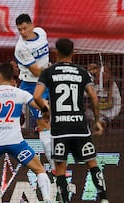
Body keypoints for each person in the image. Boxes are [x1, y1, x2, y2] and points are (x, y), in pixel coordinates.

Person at [34, 38, 109, 203]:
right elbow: (94, 97)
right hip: (79, 125)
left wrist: (47, 111)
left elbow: (37, 96)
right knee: (92, 162)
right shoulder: (82, 72)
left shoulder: (49, 72)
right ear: (73, 53)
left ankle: (65, 201)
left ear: (56, 52)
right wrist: (97, 120)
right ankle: (104, 198)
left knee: (60, 167)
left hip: (60, 127)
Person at [0, 62, 52, 203]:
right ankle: (48, 199)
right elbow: (41, 106)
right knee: (39, 169)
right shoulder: (20, 93)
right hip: (15, 143)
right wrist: (46, 113)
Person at [14, 13, 55, 174]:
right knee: (43, 123)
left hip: (47, 81)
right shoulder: (21, 48)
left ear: (31, 25)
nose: (23, 32)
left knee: (55, 119)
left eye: (24, 28)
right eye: (19, 30)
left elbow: (45, 59)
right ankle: (53, 166)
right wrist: (51, 71)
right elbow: (36, 71)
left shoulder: (42, 32)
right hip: (31, 86)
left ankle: (58, 155)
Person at [86, 63, 121, 127]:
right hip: (90, 116)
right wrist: (88, 74)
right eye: (101, 73)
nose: (103, 75)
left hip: (107, 116)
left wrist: (107, 119)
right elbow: (83, 96)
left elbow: (117, 105)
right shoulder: (91, 83)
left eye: (106, 72)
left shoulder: (113, 86)